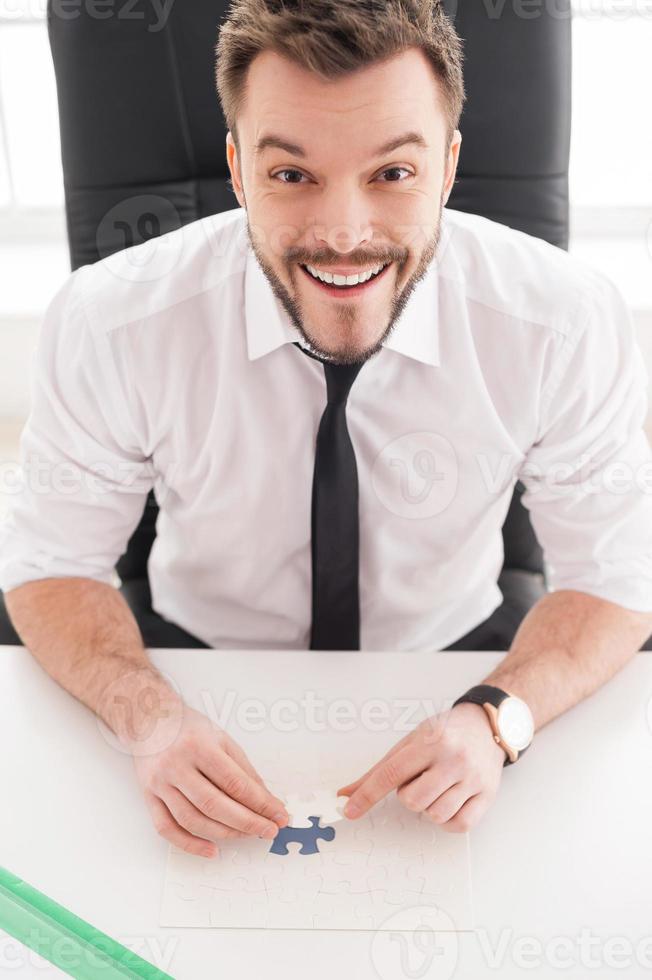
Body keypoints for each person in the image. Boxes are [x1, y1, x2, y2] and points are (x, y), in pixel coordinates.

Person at [2, 0, 652, 858]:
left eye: (392, 174)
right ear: (236, 170)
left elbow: (618, 572)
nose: (344, 236)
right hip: (190, 663)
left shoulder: (566, 320)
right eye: (291, 175)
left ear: (449, 166)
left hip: (458, 660)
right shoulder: (111, 319)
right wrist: (146, 718)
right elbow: (49, 565)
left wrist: (501, 715)